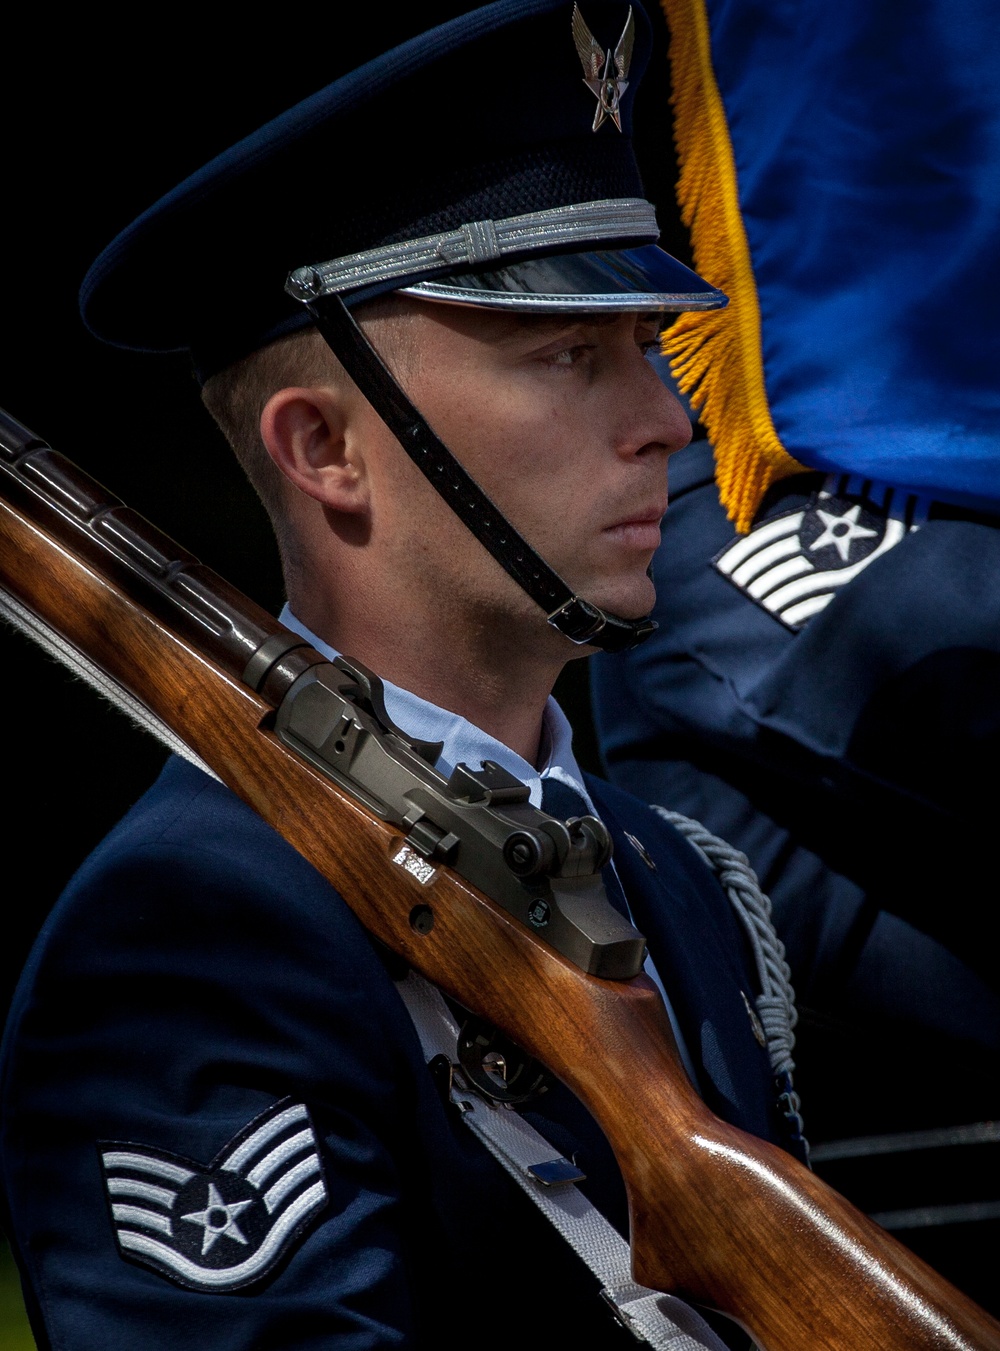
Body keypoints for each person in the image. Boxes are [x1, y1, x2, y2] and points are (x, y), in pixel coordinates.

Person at [0, 4, 797, 1348]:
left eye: (652, 349)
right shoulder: (195, 933)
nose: (666, 421)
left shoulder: (678, 874)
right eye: (568, 356)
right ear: (325, 448)